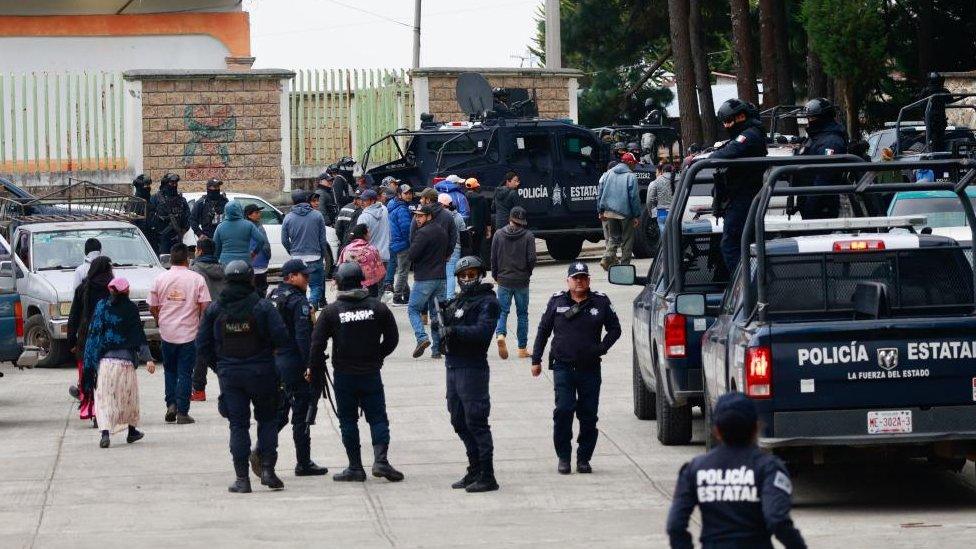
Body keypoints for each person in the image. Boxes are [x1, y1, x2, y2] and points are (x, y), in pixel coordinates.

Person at [196, 260, 290, 493]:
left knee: (238, 426)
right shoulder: (263, 306)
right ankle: (267, 470)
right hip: (262, 373)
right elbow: (281, 337)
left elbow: (201, 344)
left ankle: (242, 479)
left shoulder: (216, 309)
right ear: (250, 279)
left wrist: (219, 366)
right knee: (267, 420)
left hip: (231, 375)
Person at [666, 393, 807, 549]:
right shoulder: (768, 468)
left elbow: (675, 526)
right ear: (756, 427)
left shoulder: (695, 469)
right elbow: (778, 520)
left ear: (716, 431)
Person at [308, 261, 403, 483]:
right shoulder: (378, 307)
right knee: (378, 418)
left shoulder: (331, 312)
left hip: (344, 375)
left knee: (348, 420)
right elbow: (393, 338)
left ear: (339, 283)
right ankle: (381, 461)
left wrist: (315, 370)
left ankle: (355, 467)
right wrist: (378, 355)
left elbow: (316, 345)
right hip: (371, 372)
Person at [531, 261, 621, 474]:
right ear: (568, 280)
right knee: (563, 410)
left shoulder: (600, 301)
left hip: (590, 369)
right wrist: (536, 360)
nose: (579, 281)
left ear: (588, 280)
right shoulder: (556, 302)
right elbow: (543, 331)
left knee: (588, 415)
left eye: (583, 277)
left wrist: (601, 348)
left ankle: (583, 458)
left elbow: (615, 329)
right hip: (563, 367)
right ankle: (563, 456)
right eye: (575, 278)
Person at [438, 256, 501, 493]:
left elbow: (483, 332)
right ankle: (474, 468)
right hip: (453, 365)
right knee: (458, 419)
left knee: (476, 420)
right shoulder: (459, 301)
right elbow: (444, 328)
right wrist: (441, 323)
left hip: (472, 367)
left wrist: (454, 331)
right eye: (463, 276)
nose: (466, 279)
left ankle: (487, 473)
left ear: (480, 275)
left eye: (471, 275)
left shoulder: (487, 302)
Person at [263, 259, 328, 477]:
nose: (308, 279)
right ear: (290, 277)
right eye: (304, 275)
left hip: (275, 363)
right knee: (301, 412)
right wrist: (310, 363)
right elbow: (303, 336)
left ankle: (262, 448)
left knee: (281, 411)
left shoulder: (272, 296)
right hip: (294, 363)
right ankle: (303, 462)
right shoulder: (298, 301)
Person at [84, 277, 155, 448]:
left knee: (105, 400)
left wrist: (90, 361)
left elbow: (94, 333)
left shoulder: (101, 306)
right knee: (128, 399)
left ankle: (105, 435)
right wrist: (149, 359)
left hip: (105, 363)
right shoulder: (131, 308)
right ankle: (131, 432)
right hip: (126, 364)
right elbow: (138, 334)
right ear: (126, 291)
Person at [148, 243, 211, 425]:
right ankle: (183, 411)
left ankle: (171, 405)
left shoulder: (160, 279)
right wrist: (198, 323)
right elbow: (204, 305)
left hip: (167, 332)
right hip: (189, 333)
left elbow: (153, 306)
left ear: (171, 259)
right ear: (187, 259)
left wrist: (160, 319)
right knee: (185, 372)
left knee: (170, 370)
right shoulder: (196, 279)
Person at [708, 98, 768, 273]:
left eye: (728, 121)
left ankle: (745, 286)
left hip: (743, 197)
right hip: (738, 197)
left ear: (741, 117)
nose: (726, 126)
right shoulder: (747, 133)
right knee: (736, 244)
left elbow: (727, 153)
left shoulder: (750, 134)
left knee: (730, 245)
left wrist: (711, 157)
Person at [67, 255, 114, 425]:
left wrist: (71, 341)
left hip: (86, 338)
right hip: (109, 338)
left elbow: (74, 317)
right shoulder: (113, 288)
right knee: (106, 376)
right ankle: (106, 409)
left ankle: (92, 409)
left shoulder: (83, 288)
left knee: (89, 374)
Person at [490, 206, 536, 360]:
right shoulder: (528, 236)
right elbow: (531, 259)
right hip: (522, 280)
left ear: (510, 218)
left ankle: (501, 335)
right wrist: (527, 273)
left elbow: (493, 258)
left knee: (502, 311)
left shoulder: (498, 234)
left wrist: (496, 275)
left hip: (504, 279)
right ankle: (522, 349)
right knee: (522, 314)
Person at [795, 98, 848, 220]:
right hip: (809, 198)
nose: (809, 122)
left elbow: (824, 177)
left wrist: (811, 205)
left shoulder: (830, 141)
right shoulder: (816, 138)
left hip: (822, 205)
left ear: (824, 118)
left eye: (812, 118)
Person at [407, 204, 449, 359]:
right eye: (416, 216)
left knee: (413, 309)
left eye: (420, 216)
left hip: (425, 277)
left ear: (429, 216)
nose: (417, 219)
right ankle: (436, 350)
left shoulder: (423, 233)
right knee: (437, 313)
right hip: (441, 277)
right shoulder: (442, 231)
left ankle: (422, 338)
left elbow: (412, 254)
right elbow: (449, 248)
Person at [281, 190, 329, 309]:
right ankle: (312, 305)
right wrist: (322, 255)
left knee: (298, 286)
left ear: (293, 201)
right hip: (315, 256)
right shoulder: (317, 215)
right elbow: (322, 239)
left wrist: (292, 251)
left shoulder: (288, 218)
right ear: (306, 199)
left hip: (297, 257)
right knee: (316, 286)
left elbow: (284, 240)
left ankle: (302, 309)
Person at [189, 238, 224, 402]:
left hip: (204, 315)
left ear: (200, 251)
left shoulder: (195, 270)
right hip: (224, 315)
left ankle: (199, 389)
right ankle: (228, 383)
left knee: (201, 352)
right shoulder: (223, 269)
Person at [597, 152, 642, 271]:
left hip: (609, 211)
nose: (635, 167)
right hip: (625, 213)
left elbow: (600, 193)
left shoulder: (608, 174)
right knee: (627, 240)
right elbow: (634, 197)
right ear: (630, 163)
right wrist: (636, 215)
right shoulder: (631, 176)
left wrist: (601, 210)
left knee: (614, 237)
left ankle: (607, 257)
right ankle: (625, 267)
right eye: (634, 164)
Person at [213, 200, 269, 266]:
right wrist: (254, 253)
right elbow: (261, 240)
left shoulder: (220, 227)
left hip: (226, 262)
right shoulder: (249, 225)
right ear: (240, 210)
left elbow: (215, 246)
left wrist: (218, 258)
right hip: (245, 261)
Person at [337, 224, 386, 297]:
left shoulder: (346, 249)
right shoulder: (372, 249)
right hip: (370, 287)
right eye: (368, 232)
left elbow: (340, 267)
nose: (370, 234)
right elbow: (380, 271)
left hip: (350, 287)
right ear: (364, 235)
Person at [148, 173, 190, 256]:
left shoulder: (181, 200)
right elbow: (150, 216)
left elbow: (188, 217)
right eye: (171, 183)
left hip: (177, 238)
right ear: (165, 184)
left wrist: (183, 231)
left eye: (175, 183)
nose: (174, 185)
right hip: (161, 239)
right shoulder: (156, 198)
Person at [386, 184, 414, 304]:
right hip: (403, 244)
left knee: (403, 270)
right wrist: (412, 242)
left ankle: (407, 295)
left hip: (394, 243)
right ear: (399, 195)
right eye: (406, 193)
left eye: (410, 193)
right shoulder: (402, 209)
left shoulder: (392, 205)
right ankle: (397, 297)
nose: (409, 195)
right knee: (403, 271)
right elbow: (406, 229)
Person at [440, 193, 467, 299]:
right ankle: (450, 296)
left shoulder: (440, 216)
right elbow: (463, 231)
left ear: (442, 205)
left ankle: (447, 296)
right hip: (456, 248)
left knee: (445, 275)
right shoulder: (459, 216)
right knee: (450, 274)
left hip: (443, 248)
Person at [358, 189, 391, 273]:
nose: (361, 202)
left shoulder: (364, 216)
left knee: (370, 285)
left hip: (370, 257)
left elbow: (359, 239)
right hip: (384, 255)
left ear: (372, 201)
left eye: (365, 200)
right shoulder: (384, 209)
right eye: (361, 199)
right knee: (381, 284)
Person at [245, 203, 272, 298]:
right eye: (256, 212)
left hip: (249, 264)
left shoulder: (244, 227)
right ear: (249, 215)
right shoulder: (259, 228)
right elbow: (265, 245)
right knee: (261, 290)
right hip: (260, 263)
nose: (259, 214)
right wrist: (268, 257)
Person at [464, 178, 491, 261]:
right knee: (479, 247)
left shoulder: (463, 197)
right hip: (479, 227)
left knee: (468, 246)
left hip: (466, 226)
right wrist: (489, 230)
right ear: (476, 187)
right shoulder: (482, 198)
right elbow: (487, 215)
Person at [646, 163, 675, 235]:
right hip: (675, 214)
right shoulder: (679, 180)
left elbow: (649, 200)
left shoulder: (656, 181)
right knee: (675, 237)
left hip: (662, 213)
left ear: (662, 171)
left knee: (665, 238)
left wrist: (650, 212)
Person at [131, 174, 154, 244]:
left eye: (148, 185)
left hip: (151, 236)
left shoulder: (150, 200)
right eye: (145, 185)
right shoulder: (134, 202)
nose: (148, 187)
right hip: (139, 237)